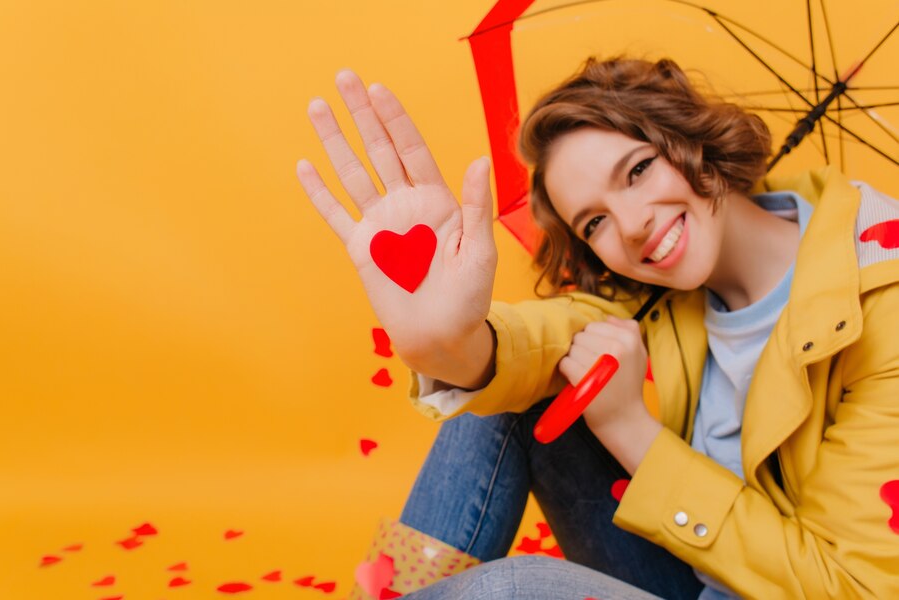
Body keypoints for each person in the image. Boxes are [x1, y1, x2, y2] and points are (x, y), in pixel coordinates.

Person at [296, 57, 899, 599]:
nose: (632, 227)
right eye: (594, 224)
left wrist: (630, 431)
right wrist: (451, 344)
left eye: (637, 171)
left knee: (508, 590)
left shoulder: (883, 311)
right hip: (684, 578)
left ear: (691, 138)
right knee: (519, 400)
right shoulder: (661, 292)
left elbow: (851, 587)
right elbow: (546, 339)